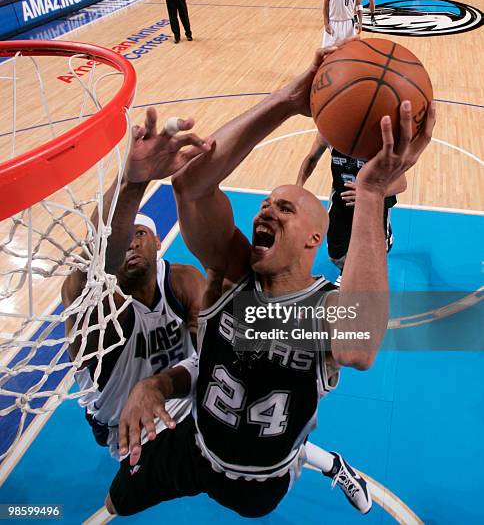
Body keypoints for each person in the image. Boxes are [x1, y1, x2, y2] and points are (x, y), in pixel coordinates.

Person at [105, 49, 435, 518]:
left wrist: (371, 192)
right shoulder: (231, 274)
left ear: (314, 239)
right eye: (266, 203)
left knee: (261, 487)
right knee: (113, 502)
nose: (266, 211)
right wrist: (286, 100)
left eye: (285, 209)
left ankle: (329, 463)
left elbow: (358, 346)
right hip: (193, 448)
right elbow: (191, 186)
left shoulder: (324, 309)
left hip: (264, 479)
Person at [61, 110, 211, 459]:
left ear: (158, 242)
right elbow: (97, 259)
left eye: (139, 234)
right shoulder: (97, 301)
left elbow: (215, 342)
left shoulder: (182, 280)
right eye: (126, 236)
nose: (130, 242)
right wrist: (133, 182)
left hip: (180, 400)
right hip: (122, 422)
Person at [296, 134, 407, 275]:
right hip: (342, 195)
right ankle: (345, 269)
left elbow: (402, 183)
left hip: (374, 199)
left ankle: (348, 275)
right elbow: (311, 159)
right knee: (335, 254)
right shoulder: (329, 133)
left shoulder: (379, 140)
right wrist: (298, 186)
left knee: (376, 254)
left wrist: (370, 192)